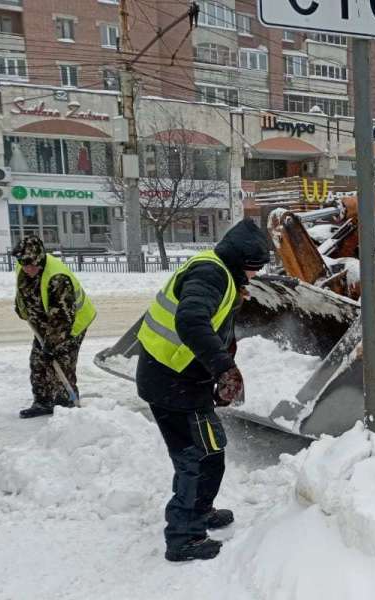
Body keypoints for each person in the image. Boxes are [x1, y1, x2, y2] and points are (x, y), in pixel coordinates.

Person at [136, 219, 271, 562]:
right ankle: (183, 536)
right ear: (245, 263)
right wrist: (223, 367)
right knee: (198, 457)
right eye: (255, 269)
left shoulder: (218, 270)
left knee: (208, 453)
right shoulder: (212, 274)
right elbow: (192, 321)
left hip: (171, 378)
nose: (255, 276)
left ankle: (200, 511)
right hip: (174, 383)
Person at [12, 236, 96, 418]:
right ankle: (43, 402)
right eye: (23, 263)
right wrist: (21, 308)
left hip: (70, 325)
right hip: (45, 324)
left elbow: (63, 319)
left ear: (40, 259)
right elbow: (23, 292)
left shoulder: (58, 279)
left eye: (30, 264)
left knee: (60, 361)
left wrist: (51, 344)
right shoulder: (24, 267)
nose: (27, 268)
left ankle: (66, 405)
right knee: (38, 362)